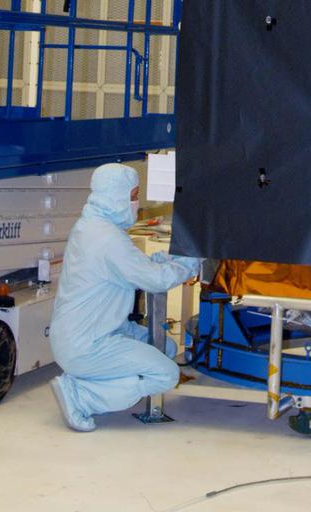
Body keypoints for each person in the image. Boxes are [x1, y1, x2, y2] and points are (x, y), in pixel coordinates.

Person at [48, 162, 202, 432]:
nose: (136, 203)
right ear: (114, 195)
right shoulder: (106, 238)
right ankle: (83, 397)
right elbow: (156, 280)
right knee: (166, 374)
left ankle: (89, 381)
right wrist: (190, 262)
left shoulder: (93, 227)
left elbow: (132, 267)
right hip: (89, 344)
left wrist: (167, 260)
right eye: (133, 196)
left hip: (90, 333)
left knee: (164, 348)